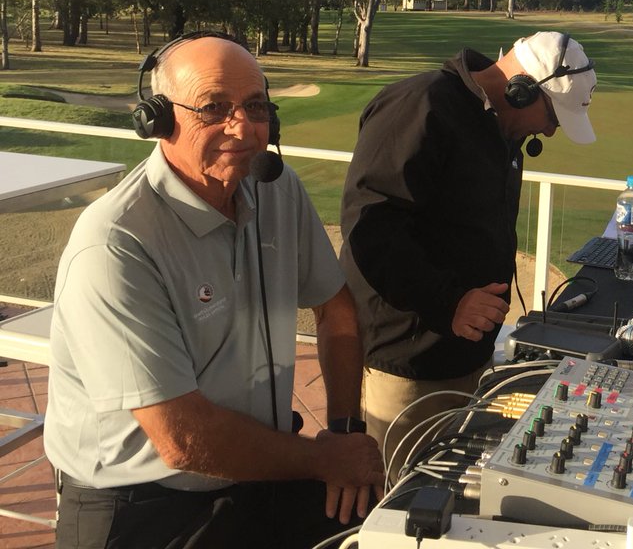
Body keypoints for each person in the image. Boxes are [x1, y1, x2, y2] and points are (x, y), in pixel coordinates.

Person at [45, 34, 385, 549]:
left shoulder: (276, 186)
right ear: (158, 120)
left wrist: (341, 429)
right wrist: (323, 459)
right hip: (140, 504)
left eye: (255, 106)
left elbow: (336, 309)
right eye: (214, 108)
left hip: (255, 468)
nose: (243, 128)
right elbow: (181, 438)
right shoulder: (116, 242)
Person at [339, 31, 597, 476]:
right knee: (400, 499)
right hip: (411, 360)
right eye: (552, 114)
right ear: (522, 90)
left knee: (448, 493)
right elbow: (371, 230)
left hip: (465, 352)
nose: (551, 130)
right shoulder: (421, 105)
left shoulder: (498, 125)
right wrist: (449, 301)